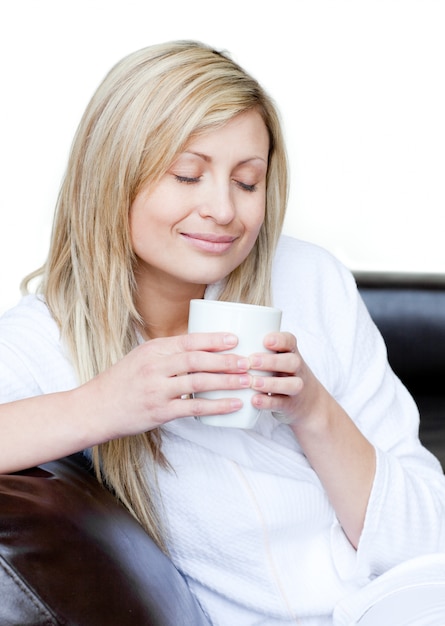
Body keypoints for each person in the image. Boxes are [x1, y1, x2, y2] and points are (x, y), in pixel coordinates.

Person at [0, 40, 444, 625]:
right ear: (111, 175)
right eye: (187, 174)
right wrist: (105, 404)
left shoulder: (308, 279)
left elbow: (426, 537)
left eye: (247, 181)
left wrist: (312, 410)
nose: (223, 210)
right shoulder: (48, 340)